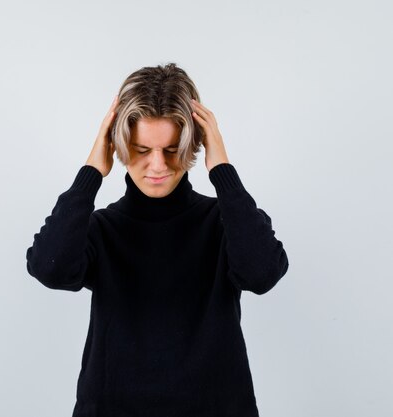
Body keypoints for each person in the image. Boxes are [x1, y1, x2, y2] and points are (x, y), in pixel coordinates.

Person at [25, 63, 289, 417]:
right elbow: (49, 267)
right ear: (117, 145)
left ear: (194, 142)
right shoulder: (102, 228)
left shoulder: (223, 222)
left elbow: (262, 273)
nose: (157, 165)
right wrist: (91, 171)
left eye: (171, 149)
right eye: (141, 149)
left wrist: (221, 168)